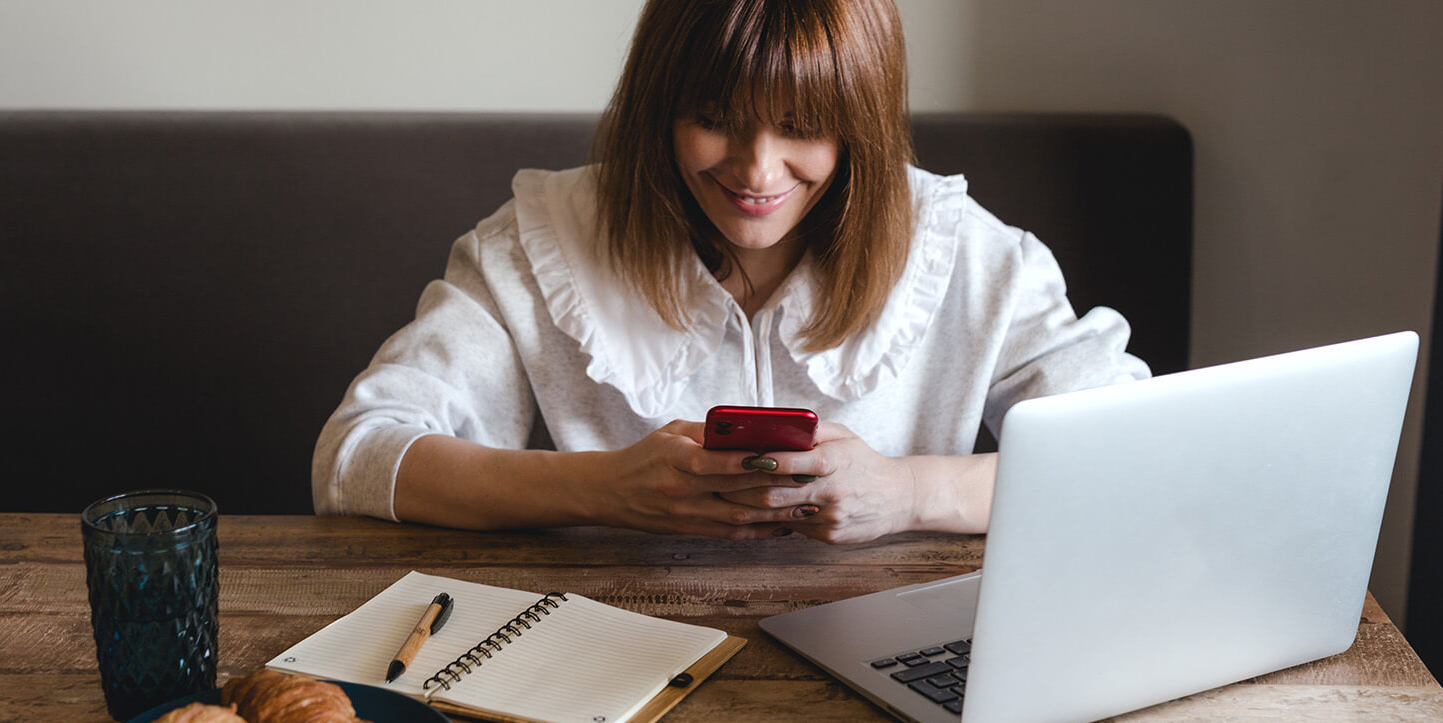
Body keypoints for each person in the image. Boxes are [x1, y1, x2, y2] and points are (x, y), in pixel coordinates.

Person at [312, 0, 1148, 544]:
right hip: (608, 657)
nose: (757, 170)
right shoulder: (539, 246)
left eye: (802, 126)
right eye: (714, 119)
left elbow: (1128, 447)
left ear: (859, 122)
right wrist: (607, 487)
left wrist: (908, 492)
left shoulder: (964, 252)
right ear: (659, 111)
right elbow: (355, 456)